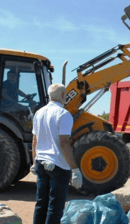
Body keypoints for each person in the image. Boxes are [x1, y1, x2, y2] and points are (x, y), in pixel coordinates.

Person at [30, 83, 82, 224]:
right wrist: (75, 169)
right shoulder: (64, 115)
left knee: (41, 203)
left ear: (49, 96)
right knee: (55, 207)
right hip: (58, 166)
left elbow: (34, 141)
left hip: (41, 163)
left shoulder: (38, 113)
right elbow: (64, 143)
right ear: (63, 96)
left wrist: (34, 161)